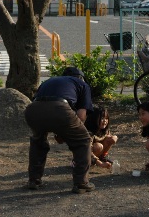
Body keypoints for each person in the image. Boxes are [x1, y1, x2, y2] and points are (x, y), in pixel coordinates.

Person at [24, 66, 95, 194]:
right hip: (60, 108)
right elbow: (81, 116)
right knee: (83, 141)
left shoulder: (50, 81)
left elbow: (44, 106)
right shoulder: (82, 84)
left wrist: (62, 130)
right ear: (81, 78)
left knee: (38, 141)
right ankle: (81, 183)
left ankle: (34, 180)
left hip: (33, 110)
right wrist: (68, 133)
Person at [85, 105, 118, 169]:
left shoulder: (104, 130)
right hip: (83, 158)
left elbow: (109, 139)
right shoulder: (88, 133)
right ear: (94, 119)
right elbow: (87, 150)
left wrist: (114, 137)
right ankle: (92, 162)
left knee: (110, 139)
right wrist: (100, 164)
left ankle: (102, 157)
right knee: (98, 146)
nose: (105, 121)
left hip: (96, 155)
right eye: (102, 118)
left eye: (106, 118)